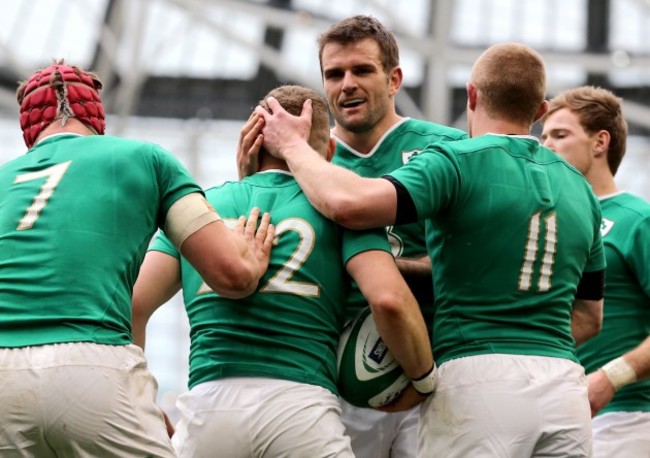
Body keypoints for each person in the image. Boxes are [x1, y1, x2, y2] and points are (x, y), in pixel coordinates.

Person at [254, 43, 607, 457]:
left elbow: (349, 206)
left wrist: (292, 147)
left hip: (476, 377)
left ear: (471, 95)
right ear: (540, 110)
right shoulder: (582, 189)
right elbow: (589, 317)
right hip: (564, 386)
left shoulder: (456, 160)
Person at [132, 84, 436, 458]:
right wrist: (423, 379)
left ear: (251, 145)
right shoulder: (345, 213)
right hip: (301, 407)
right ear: (328, 152)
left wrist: (139, 403)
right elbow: (388, 300)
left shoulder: (201, 208)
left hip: (208, 410)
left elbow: (131, 306)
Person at [0, 60, 273, 457]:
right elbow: (231, 275)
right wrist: (251, 255)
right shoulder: (145, 159)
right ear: (96, 116)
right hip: (92, 365)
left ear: (30, 130)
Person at [238, 15, 466, 458]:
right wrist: (251, 186)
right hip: (336, 375)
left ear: (394, 78)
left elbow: (472, 266)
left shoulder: (449, 149)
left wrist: (377, 270)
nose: (346, 85)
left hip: (436, 370)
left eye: (362, 70)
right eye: (334, 74)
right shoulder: (297, 160)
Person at [541, 85, 650, 458]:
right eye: (542, 137)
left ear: (600, 142)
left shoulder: (638, 220)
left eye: (560, 134)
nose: (546, 146)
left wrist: (611, 378)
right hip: (554, 415)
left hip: (628, 418)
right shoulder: (546, 224)